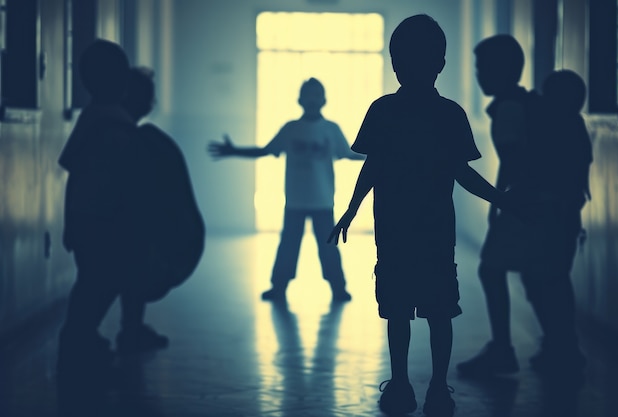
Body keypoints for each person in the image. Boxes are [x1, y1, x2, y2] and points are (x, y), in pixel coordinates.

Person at [328, 14, 514, 416]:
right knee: (438, 311)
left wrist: (352, 208)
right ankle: (436, 389)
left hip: (394, 232)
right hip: (434, 233)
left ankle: (400, 385)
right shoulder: (449, 114)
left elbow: (372, 167)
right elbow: (461, 174)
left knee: (398, 311)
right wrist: (500, 198)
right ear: (441, 63)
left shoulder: (383, 110)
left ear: (395, 63)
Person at [456, 36, 590, 382]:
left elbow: (514, 161)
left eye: (482, 69)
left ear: (502, 71)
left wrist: (502, 202)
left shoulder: (509, 108)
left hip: (529, 206)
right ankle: (562, 348)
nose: (479, 76)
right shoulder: (529, 103)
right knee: (546, 276)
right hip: (552, 205)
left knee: (492, 269)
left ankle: (504, 349)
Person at [208, 77, 364, 302]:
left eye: (316, 95)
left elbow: (349, 154)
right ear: (300, 99)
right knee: (289, 245)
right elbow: (265, 150)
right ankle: (279, 287)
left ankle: (338, 288)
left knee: (328, 246)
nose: (312, 99)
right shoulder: (291, 129)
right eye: (308, 95)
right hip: (295, 201)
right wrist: (235, 151)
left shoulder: (331, 129)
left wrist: (381, 155)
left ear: (324, 100)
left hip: (323, 201)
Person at [56, 39, 137, 410]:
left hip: (89, 218)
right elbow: (120, 176)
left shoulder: (94, 116)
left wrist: (71, 220)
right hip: (103, 220)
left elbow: (72, 167)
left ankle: (82, 351)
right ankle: (77, 357)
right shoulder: (111, 121)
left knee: (92, 285)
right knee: (96, 288)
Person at [116, 67, 205, 354]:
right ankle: (87, 342)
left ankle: (131, 329)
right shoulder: (126, 136)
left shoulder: (139, 135)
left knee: (132, 275)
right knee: (108, 284)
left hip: (126, 222)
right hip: (116, 221)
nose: (151, 104)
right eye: (148, 96)